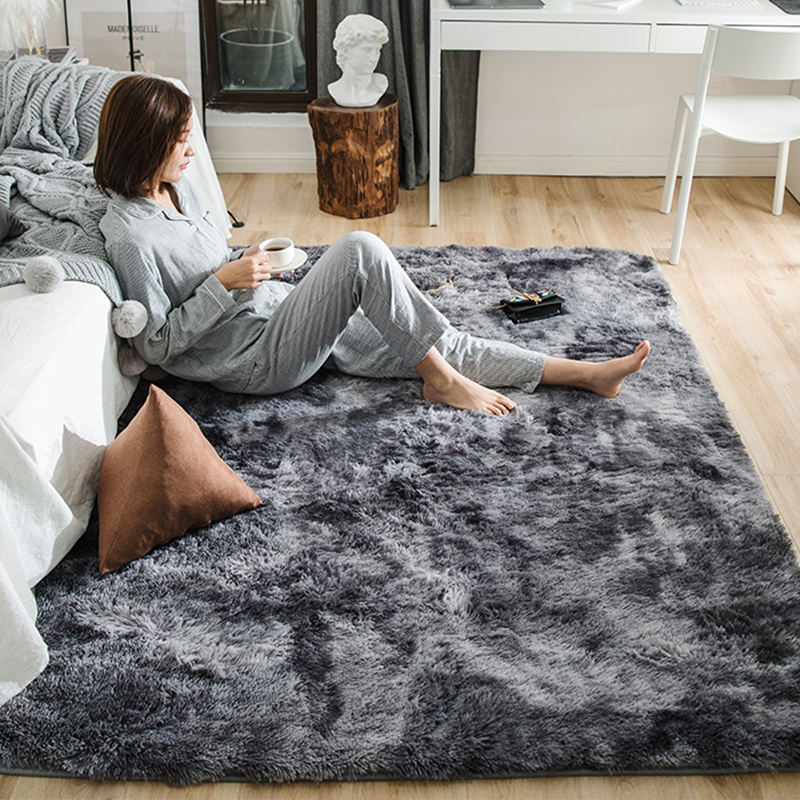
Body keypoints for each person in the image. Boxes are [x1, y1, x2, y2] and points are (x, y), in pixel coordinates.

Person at [94, 74, 650, 417]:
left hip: (278, 312)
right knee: (360, 249)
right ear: (145, 144)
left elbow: (210, 267)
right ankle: (442, 382)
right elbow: (156, 346)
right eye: (181, 140)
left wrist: (245, 265)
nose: (193, 151)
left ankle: (586, 374)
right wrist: (224, 283)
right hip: (257, 359)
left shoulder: (175, 188)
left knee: (430, 341)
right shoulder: (131, 236)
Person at [327, 14, 389, 108]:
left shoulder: (380, 86)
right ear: (346, 51)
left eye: (377, 50)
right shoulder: (335, 89)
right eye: (367, 50)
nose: (373, 58)